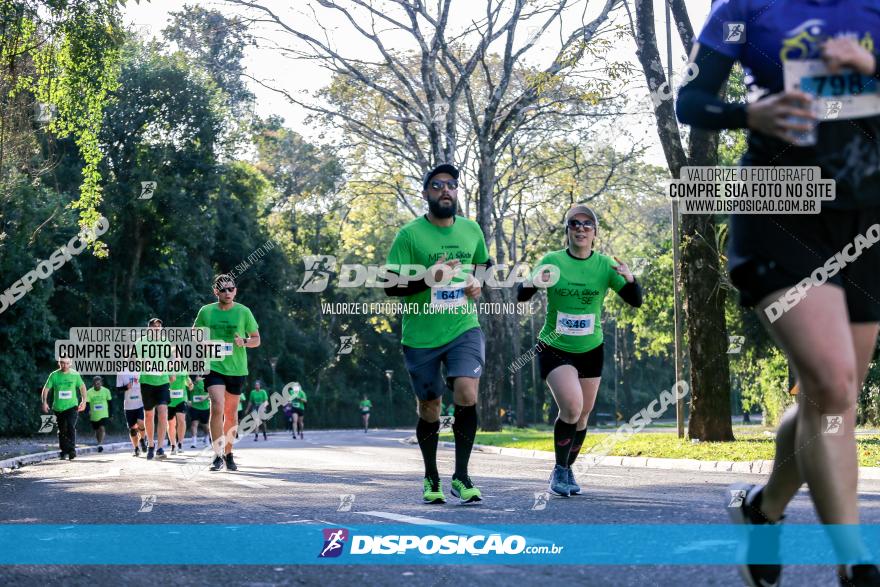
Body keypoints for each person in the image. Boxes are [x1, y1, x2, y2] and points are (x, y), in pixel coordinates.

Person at [677, 3, 880, 584]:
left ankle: (761, 510)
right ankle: (856, 563)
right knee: (835, 384)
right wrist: (750, 113)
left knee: (830, 393)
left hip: (866, 214)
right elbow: (691, 101)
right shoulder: (742, 9)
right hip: (780, 205)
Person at [517, 205, 642, 497]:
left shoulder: (604, 266)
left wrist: (631, 278)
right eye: (575, 223)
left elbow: (635, 301)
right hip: (554, 346)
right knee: (571, 408)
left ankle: (567, 468)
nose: (581, 228)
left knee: (583, 415)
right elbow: (522, 295)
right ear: (568, 232)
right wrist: (534, 281)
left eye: (587, 224)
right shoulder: (553, 260)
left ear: (595, 233)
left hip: (590, 348)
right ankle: (559, 472)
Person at [384, 163, 489, 504]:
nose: (446, 190)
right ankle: (431, 476)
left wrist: (477, 282)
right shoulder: (409, 235)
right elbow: (389, 285)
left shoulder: (472, 230)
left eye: (452, 185)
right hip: (421, 336)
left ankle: (461, 475)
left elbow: (483, 265)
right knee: (429, 408)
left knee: (467, 392)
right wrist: (428, 278)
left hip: (463, 328)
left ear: (457, 192)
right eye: (438, 185)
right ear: (427, 193)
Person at [193, 273, 260, 472]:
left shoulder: (243, 312)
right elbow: (195, 336)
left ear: (235, 291)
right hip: (214, 366)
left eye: (231, 289)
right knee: (217, 405)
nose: (228, 292)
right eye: (223, 289)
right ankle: (217, 454)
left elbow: (256, 339)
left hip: (237, 368)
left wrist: (244, 342)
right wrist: (202, 342)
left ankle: (229, 454)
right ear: (216, 292)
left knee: (231, 414)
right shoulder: (206, 312)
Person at [139, 318, 174, 460]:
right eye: (154, 326)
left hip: (162, 381)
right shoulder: (141, 341)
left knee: (163, 412)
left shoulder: (166, 341)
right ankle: (151, 445)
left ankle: (160, 447)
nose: (156, 328)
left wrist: (172, 370)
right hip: (147, 382)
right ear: (149, 329)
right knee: (148, 415)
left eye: (159, 326)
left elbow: (170, 358)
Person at [41, 358, 87, 460]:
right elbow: (46, 389)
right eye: (62, 363)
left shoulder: (75, 375)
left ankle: (71, 450)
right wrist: (44, 402)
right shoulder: (54, 375)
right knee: (62, 429)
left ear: (70, 363)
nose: (65, 365)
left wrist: (84, 401)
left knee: (70, 426)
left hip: (72, 406)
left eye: (67, 363)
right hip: (58, 407)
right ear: (59, 363)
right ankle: (64, 450)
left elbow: (82, 387)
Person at [117, 370, 147, 456]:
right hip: (129, 406)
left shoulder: (141, 371)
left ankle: (143, 439)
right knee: (132, 429)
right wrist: (126, 387)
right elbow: (118, 389)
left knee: (140, 422)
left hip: (140, 403)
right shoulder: (121, 372)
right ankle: (136, 448)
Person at [85, 376, 113, 452]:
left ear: (101, 383)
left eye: (99, 383)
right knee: (97, 430)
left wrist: (111, 414)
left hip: (104, 414)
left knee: (102, 428)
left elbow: (110, 403)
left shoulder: (106, 391)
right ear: (93, 384)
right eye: (95, 383)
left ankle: (100, 444)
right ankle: (98, 442)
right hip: (94, 415)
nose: (97, 385)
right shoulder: (89, 392)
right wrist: (88, 410)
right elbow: (87, 403)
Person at [166, 370, 191, 454]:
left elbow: (188, 382)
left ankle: (180, 443)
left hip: (181, 399)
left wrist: (190, 384)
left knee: (181, 420)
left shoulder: (183, 370)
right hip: (170, 401)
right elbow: (166, 382)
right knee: (171, 423)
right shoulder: (166, 369)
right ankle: (173, 445)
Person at [187, 374, 211, 448]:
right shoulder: (190, 383)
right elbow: (187, 391)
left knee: (205, 425)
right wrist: (188, 400)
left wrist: (205, 397)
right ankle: (194, 441)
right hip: (194, 406)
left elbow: (212, 392)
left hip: (205, 407)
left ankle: (207, 438)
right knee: (194, 424)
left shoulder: (206, 381)